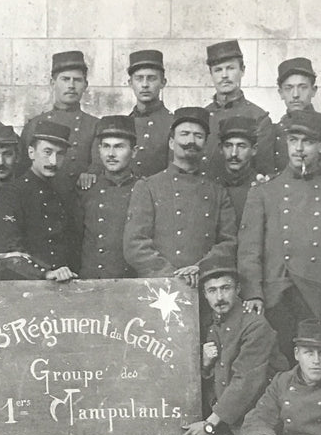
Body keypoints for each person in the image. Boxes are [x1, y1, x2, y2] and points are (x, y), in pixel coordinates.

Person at [237, 110, 321, 357]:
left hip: (316, 296)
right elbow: (249, 252)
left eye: (308, 142)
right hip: (272, 298)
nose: (299, 148)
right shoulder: (264, 192)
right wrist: (253, 293)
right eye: (293, 140)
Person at [178, 258, 278, 435]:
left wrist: (209, 425)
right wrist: (203, 365)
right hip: (223, 421)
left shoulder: (255, 326)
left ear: (238, 289)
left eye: (225, 288)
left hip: (252, 419)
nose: (219, 297)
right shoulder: (208, 323)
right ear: (204, 294)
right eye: (212, 291)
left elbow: (245, 383)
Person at [123, 107, 237, 288]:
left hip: (204, 284)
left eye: (198, 136)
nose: (191, 141)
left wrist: (200, 269)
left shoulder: (218, 192)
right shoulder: (148, 187)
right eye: (184, 134)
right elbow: (135, 244)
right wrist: (171, 276)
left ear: (205, 144)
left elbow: (228, 242)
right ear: (171, 142)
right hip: (158, 287)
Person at [0, 120, 80, 281]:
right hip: (26, 285)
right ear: (31, 152)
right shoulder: (13, 193)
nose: (53, 161)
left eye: (60, 153)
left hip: (63, 281)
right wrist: (45, 273)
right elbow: (6, 252)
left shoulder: (63, 192)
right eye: (47, 152)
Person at [20, 50, 98, 204]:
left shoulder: (95, 125)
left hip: (79, 203)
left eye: (77, 80)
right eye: (65, 79)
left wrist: (90, 174)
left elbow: (98, 167)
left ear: (85, 85)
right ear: (52, 83)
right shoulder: (34, 125)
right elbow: (23, 169)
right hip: (41, 203)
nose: (71, 85)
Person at [200, 39, 274, 180]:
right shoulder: (202, 117)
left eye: (230, 68)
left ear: (242, 70)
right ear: (211, 74)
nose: (224, 75)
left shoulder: (259, 118)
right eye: (218, 70)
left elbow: (263, 170)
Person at [76, 115, 137, 279]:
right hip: (91, 280)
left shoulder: (145, 190)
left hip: (130, 283)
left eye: (119, 147)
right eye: (105, 146)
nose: (111, 154)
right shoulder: (87, 189)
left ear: (134, 152)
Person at [269, 57, 321, 176]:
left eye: (303, 87)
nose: (295, 95)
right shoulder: (274, 131)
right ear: (280, 93)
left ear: (313, 90)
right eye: (289, 88)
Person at [123, 49, 175, 179]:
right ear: (130, 83)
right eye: (139, 79)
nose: (145, 85)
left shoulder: (173, 123)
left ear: (163, 83)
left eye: (151, 79)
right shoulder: (124, 124)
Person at [217, 116, 260, 227]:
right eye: (228, 146)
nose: (234, 154)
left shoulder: (263, 188)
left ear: (254, 150)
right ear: (220, 149)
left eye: (241, 146)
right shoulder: (212, 188)